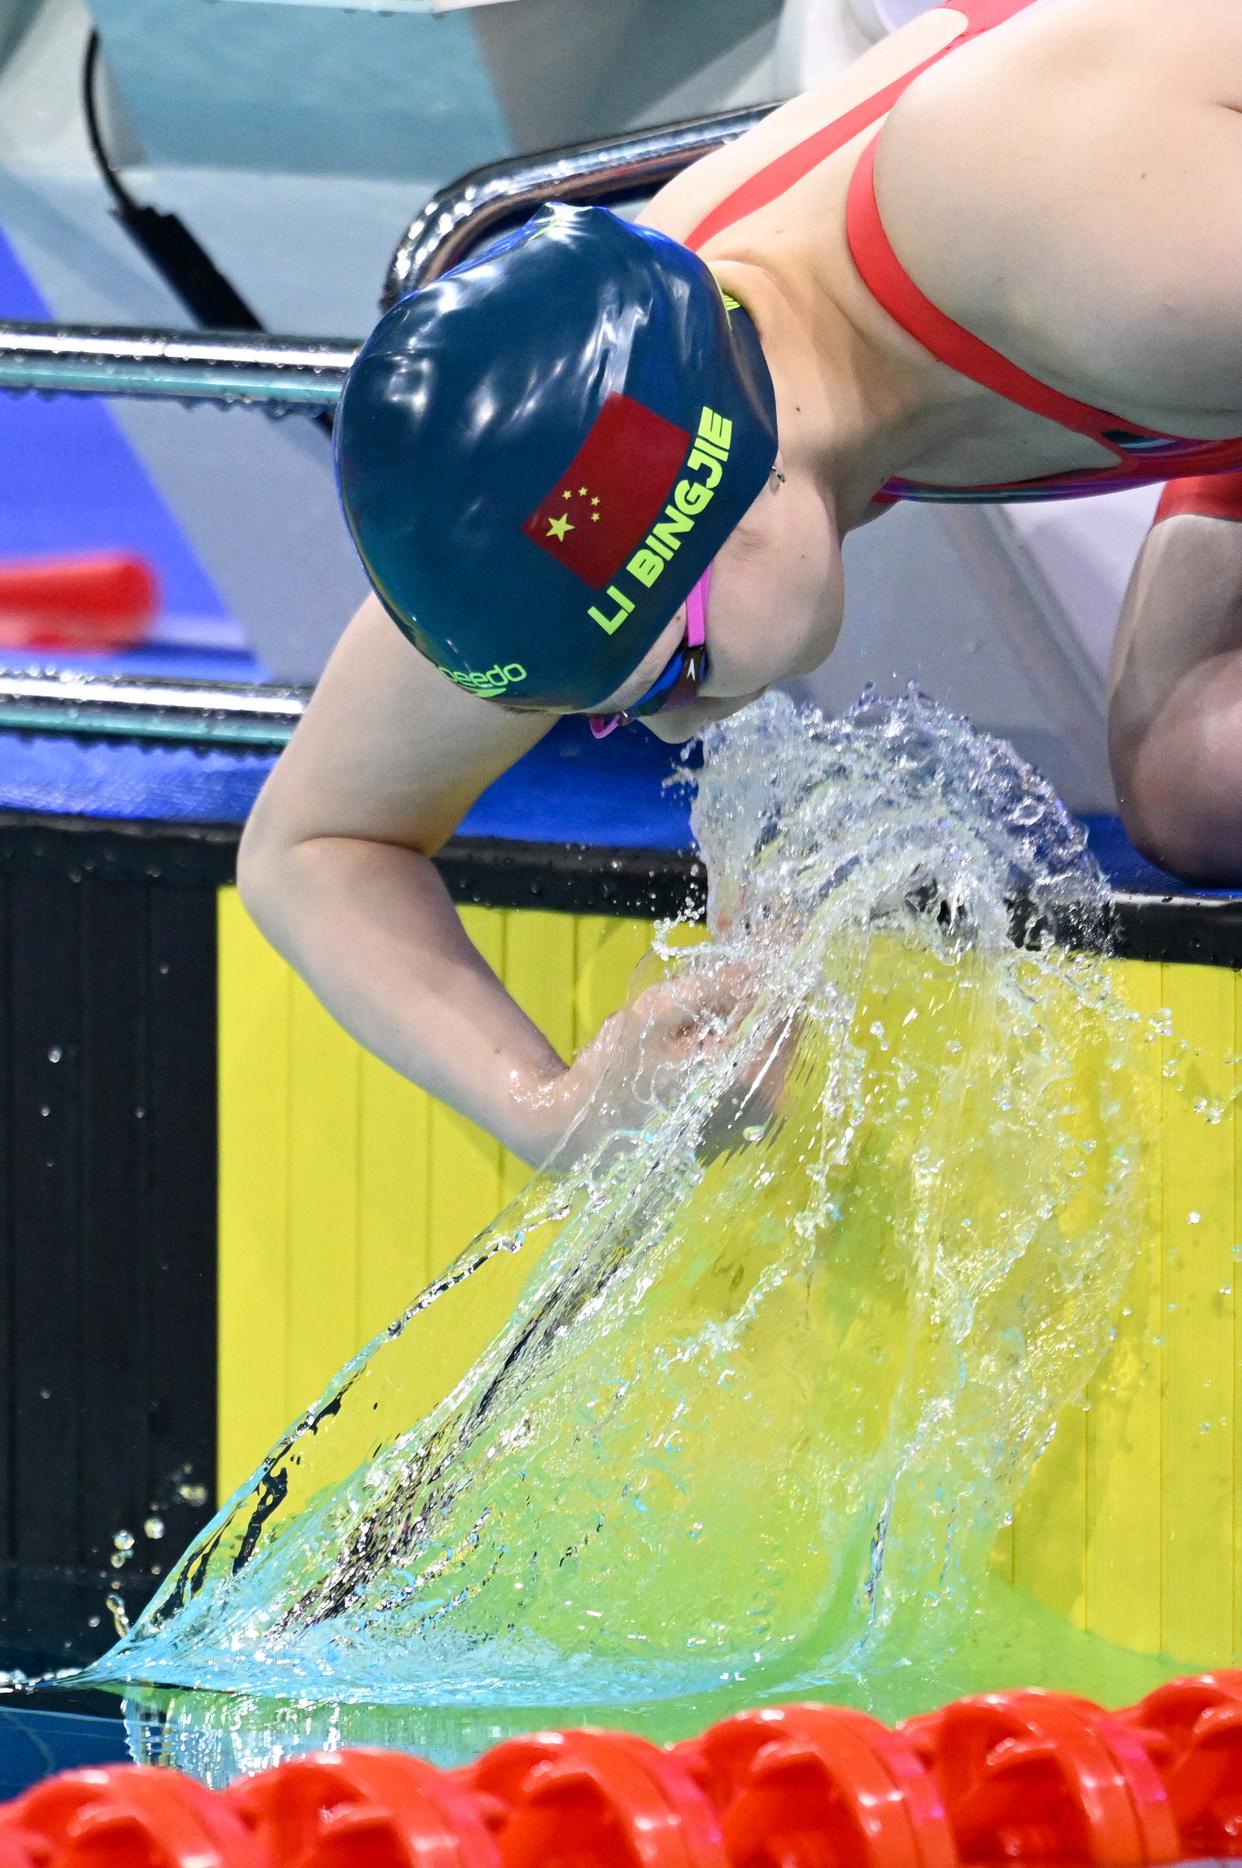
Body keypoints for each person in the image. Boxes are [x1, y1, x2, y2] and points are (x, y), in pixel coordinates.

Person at [239, 0, 1242, 1165]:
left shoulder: (1093, 241)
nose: (676, 726)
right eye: (616, 707)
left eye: (682, 668)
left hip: (1153, 231)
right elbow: (311, 845)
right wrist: (558, 1113)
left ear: (738, 488)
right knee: (1194, 779)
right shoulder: (638, 408)